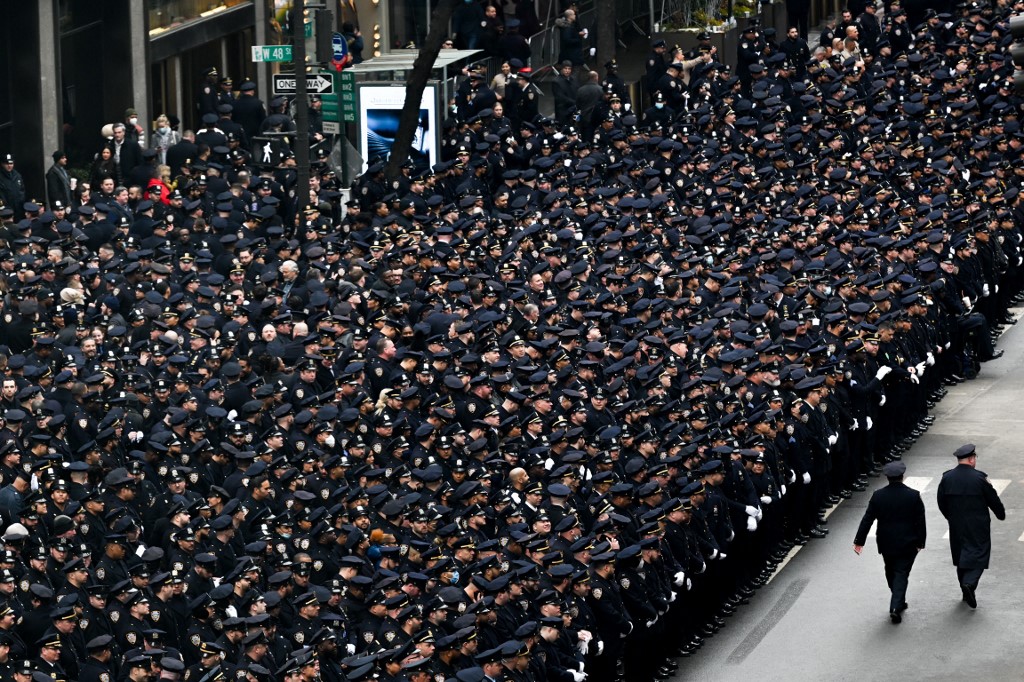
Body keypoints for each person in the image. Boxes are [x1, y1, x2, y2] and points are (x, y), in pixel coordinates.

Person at [853, 461, 926, 623]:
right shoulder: (913, 495)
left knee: (891, 571)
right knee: (900, 573)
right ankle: (896, 605)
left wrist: (860, 540)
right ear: (903, 476)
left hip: (886, 542)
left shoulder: (878, 495)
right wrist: (921, 542)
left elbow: (867, 519)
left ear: (887, 478)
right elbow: (920, 521)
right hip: (908, 542)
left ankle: (897, 600)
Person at [936, 444, 1006, 608]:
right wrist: (1000, 513)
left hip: (956, 524)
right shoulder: (979, 478)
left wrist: (950, 517)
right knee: (979, 553)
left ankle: (965, 590)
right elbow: (992, 498)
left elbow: (941, 501)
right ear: (972, 459)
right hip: (977, 524)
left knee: (961, 555)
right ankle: (969, 584)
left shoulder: (947, 478)